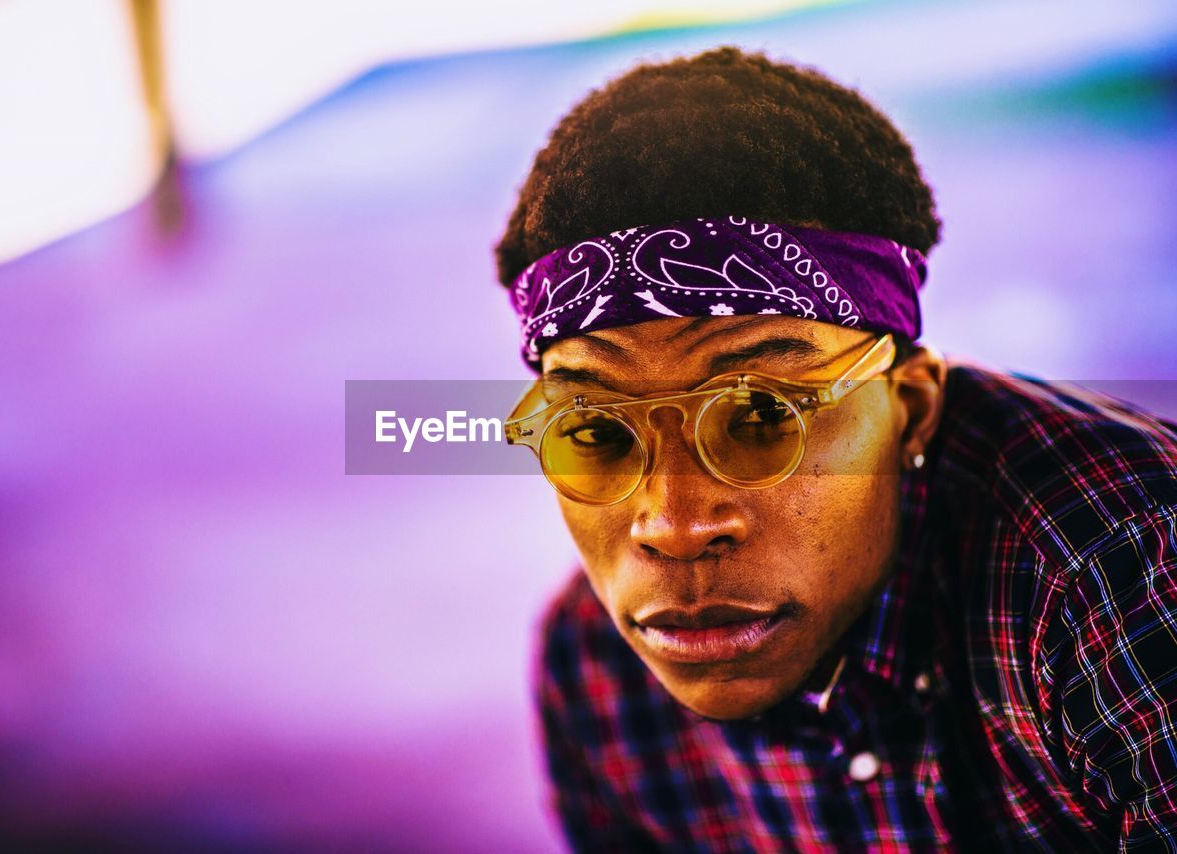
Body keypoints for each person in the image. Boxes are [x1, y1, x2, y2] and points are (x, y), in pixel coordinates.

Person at [494, 46, 1177, 851]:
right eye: (599, 432)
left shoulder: (1118, 559)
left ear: (912, 408)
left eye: (758, 419)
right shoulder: (598, 672)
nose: (673, 524)